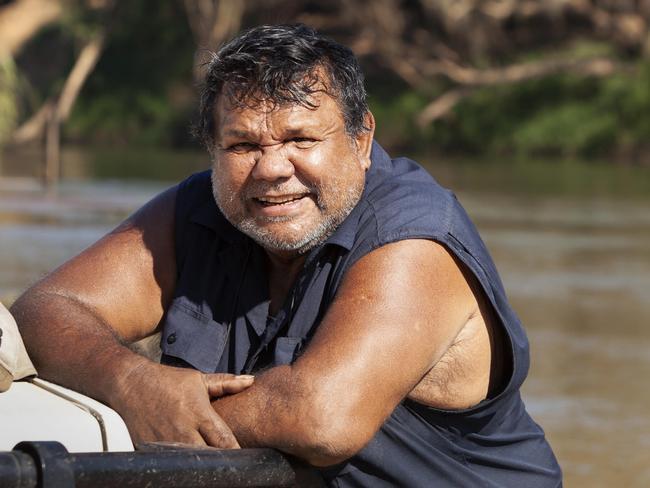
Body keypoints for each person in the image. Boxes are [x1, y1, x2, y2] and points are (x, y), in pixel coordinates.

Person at [11, 24, 562, 487]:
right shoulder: (199, 209)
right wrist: (130, 382)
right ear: (213, 151)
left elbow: (322, 417)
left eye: (301, 139)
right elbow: (46, 307)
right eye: (244, 146)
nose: (272, 168)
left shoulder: (415, 235)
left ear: (362, 141)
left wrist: (160, 408)